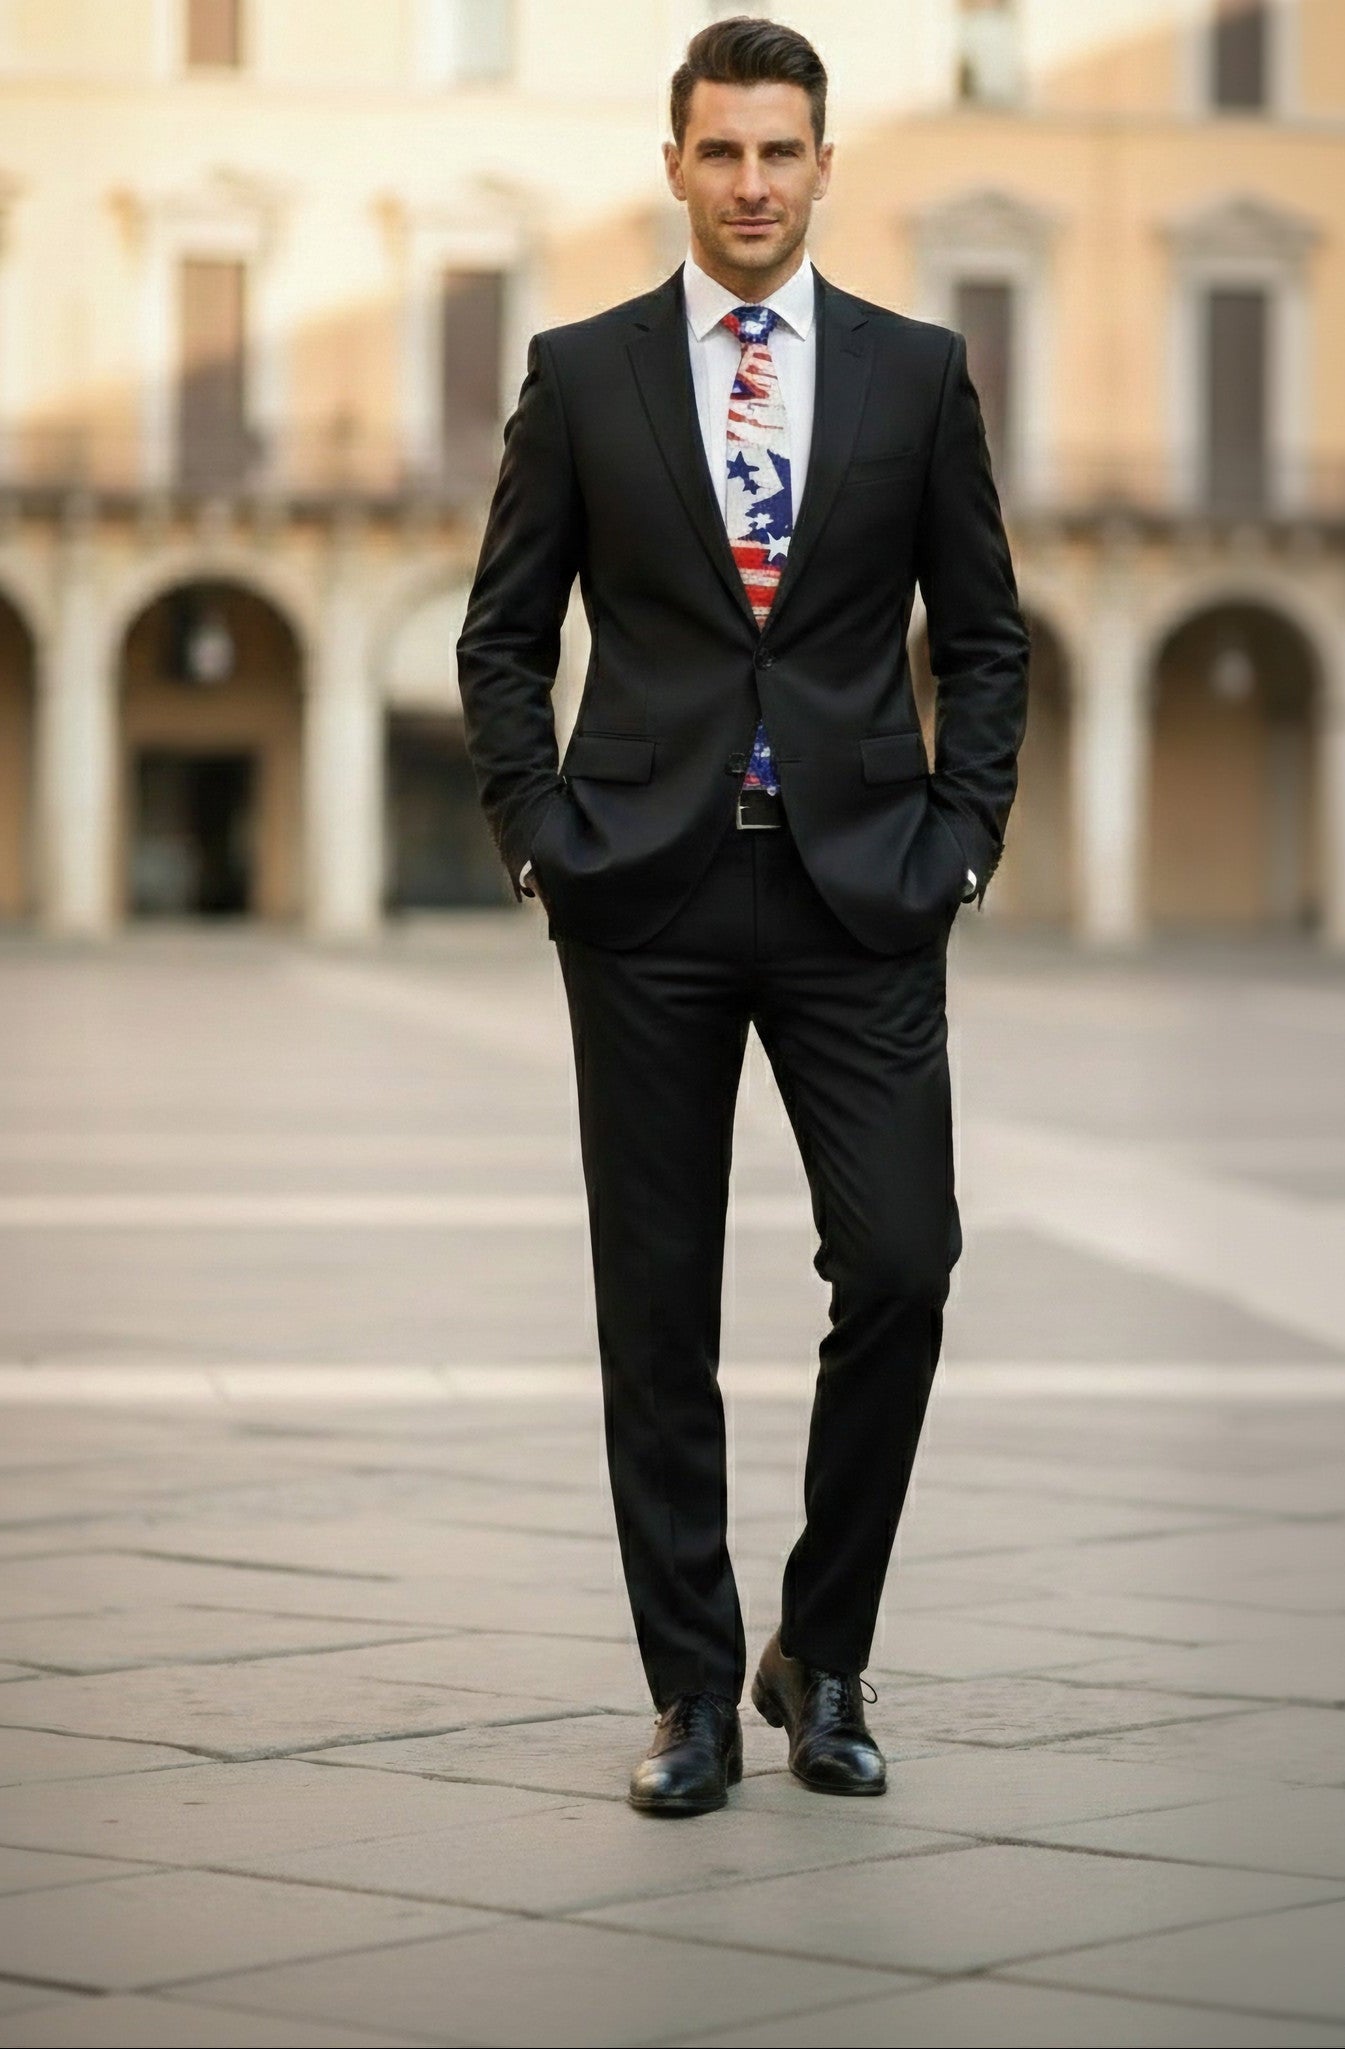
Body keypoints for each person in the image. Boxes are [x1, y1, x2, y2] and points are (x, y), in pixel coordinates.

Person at [458, 14, 1029, 1817]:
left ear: (825, 165)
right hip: (648, 889)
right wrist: (541, 829)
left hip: (862, 889)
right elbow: (500, 633)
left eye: (781, 151)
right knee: (656, 1304)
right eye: (721, 151)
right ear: (675, 166)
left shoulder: (914, 374)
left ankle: (824, 1647)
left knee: (905, 1262)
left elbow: (987, 637)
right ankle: (694, 1693)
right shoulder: (584, 369)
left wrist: (960, 840)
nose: (753, 183)